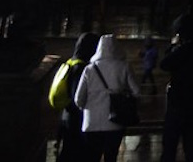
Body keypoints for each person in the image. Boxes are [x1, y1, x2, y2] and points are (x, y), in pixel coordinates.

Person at [74, 34, 140, 162]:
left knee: (92, 156)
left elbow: (78, 99)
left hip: (91, 123)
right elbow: (136, 91)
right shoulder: (124, 67)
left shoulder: (89, 69)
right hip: (115, 122)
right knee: (111, 156)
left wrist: (87, 107)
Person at [160, 13, 193, 162]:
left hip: (178, 102)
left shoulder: (184, 49)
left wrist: (172, 45)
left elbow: (164, 63)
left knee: (170, 144)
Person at [54, 32, 100, 162]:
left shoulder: (71, 62)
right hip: (75, 119)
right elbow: (77, 98)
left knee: (68, 151)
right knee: (75, 152)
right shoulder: (81, 68)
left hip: (66, 116)